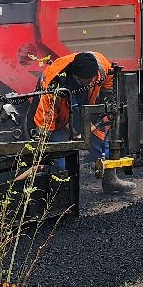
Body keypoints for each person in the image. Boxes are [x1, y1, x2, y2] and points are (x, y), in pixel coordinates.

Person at [33, 51, 134, 194]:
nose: (91, 82)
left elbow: (110, 78)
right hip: (57, 114)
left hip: (85, 105)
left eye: (92, 79)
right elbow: (45, 121)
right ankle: (59, 191)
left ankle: (110, 180)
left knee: (99, 139)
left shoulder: (100, 65)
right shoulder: (53, 84)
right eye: (86, 81)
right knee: (57, 149)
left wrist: (108, 96)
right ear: (76, 76)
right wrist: (43, 143)